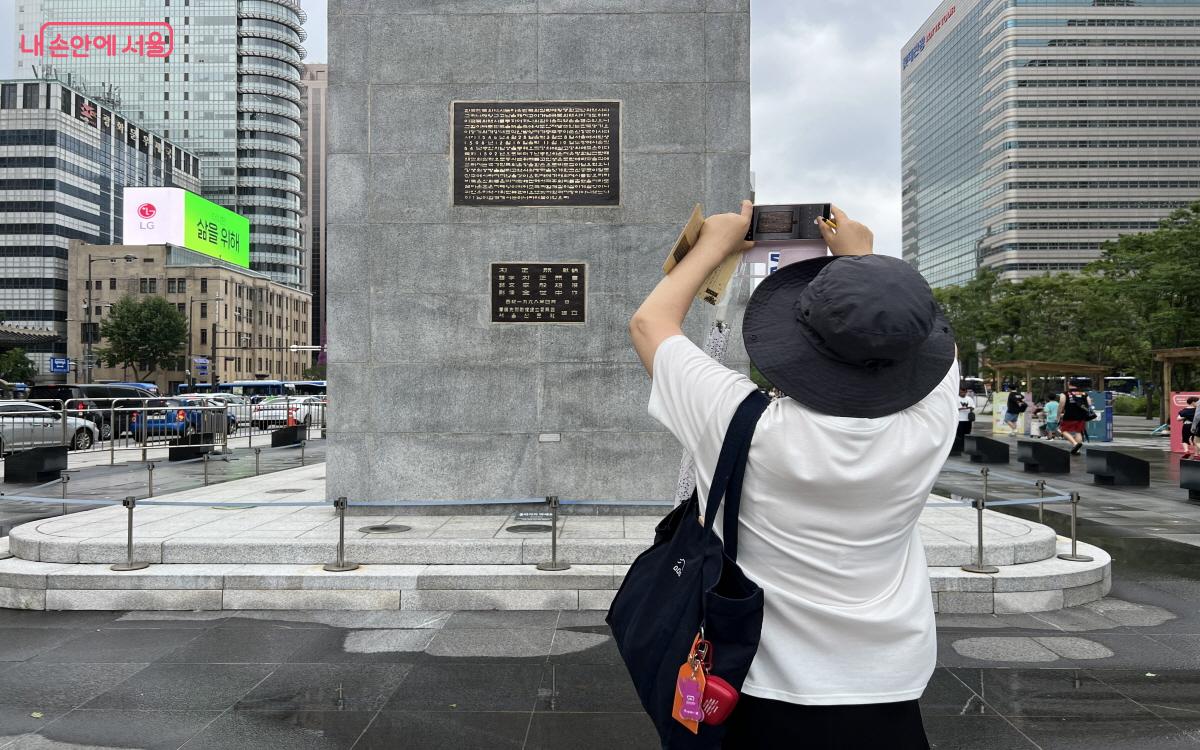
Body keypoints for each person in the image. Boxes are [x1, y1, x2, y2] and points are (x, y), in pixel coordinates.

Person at [629, 201, 956, 749]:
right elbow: (927, 340)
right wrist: (864, 262)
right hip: (889, 683)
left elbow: (649, 323)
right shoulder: (933, 418)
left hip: (757, 680)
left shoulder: (740, 419)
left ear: (796, 342)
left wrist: (716, 244)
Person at [1059, 383, 1094, 455]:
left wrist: (1058, 415)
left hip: (1069, 415)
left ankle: (1075, 444)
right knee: (1078, 431)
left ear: (1069, 385)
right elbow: (1089, 404)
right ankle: (1077, 450)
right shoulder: (1084, 394)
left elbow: (1061, 404)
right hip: (1081, 416)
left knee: (1063, 430)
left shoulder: (1065, 394)